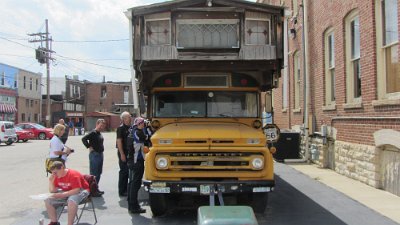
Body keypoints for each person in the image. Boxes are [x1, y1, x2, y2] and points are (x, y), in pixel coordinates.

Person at [44, 161, 90, 225]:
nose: (54, 174)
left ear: (62, 168)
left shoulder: (73, 174)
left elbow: (76, 190)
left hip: (81, 190)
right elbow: (52, 190)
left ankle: (69, 224)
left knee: (71, 201)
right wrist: (51, 181)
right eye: (52, 173)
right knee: (48, 200)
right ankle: (54, 222)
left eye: (55, 172)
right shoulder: (56, 176)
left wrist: (62, 195)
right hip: (67, 190)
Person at [127, 117, 148, 214]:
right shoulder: (137, 132)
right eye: (143, 123)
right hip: (136, 161)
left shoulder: (132, 131)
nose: (144, 125)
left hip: (133, 160)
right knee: (135, 184)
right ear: (139, 124)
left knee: (132, 183)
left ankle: (131, 205)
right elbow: (145, 138)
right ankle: (133, 206)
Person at [81, 119, 106, 195]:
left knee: (99, 172)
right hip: (94, 155)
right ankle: (92, 190)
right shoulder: (93, 132)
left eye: (103, 126)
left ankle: (96, 188)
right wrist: (89, 146)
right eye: (101, 125)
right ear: (97, 124)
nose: (102, 127)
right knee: (94, 174)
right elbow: (83, 139)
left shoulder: (99, 133)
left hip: (100, 154)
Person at [116, 111, 131, 197]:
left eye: (130, 117)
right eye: (128, 117)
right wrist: (122, 154)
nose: (130, 118)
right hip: (123, 152)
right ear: (124, 119)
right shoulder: (121, 128)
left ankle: (126, 189)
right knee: (124, 171)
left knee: (128, 171)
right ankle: (122, 191)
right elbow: (119, 141)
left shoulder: (130, 128)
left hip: (129, 152)